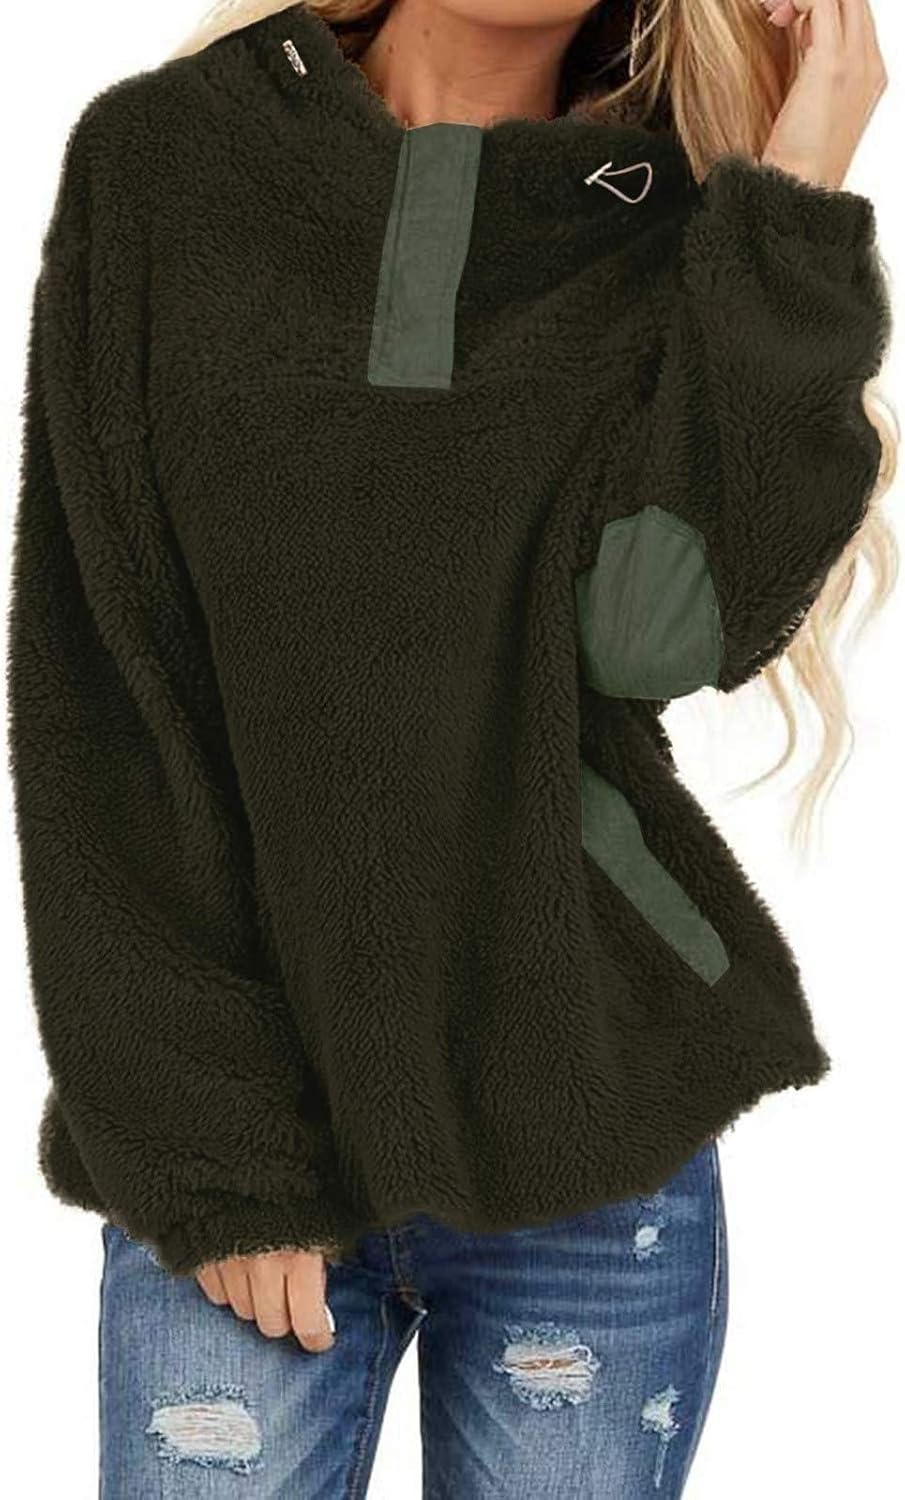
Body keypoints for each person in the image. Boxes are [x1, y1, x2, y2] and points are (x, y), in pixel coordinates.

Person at [7, 1, 894, 1494]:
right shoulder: (170, 160)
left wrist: (793, 207)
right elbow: (99, 690)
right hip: (241, 1132)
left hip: (590, 1124)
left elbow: (656, 635)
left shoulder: (670, 225)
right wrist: (218, 1166)